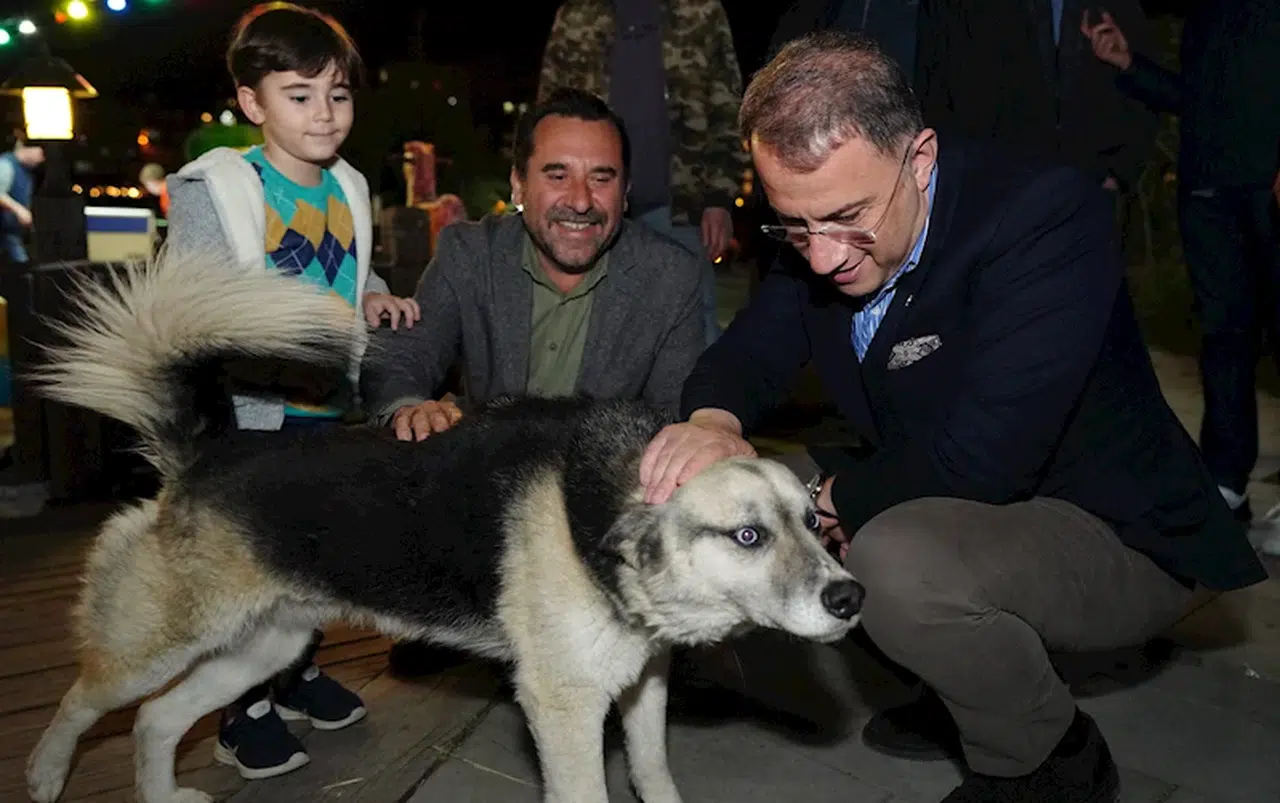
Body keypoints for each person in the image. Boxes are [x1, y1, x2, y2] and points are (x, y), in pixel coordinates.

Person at [637, 31, 1267, 803]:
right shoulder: (820, 230)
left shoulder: (1045, 218)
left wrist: (828, 499)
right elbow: (750, 352)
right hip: (977, 499)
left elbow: (984, 459)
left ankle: (1045, 757)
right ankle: (961, 689)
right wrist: (711, 421)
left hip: (1123, 531)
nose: (824, 256)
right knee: (762, 501)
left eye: (847, 217)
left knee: (891, 560)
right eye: (795, 226)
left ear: (921, 159)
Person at [359, 88, 707, 675]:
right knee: (412, 434)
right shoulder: (470, 254)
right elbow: (404, 357)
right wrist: (410, 405)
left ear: (625, 193)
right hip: (487, 493)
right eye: (556, 174)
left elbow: (676, 412)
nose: (580, 201)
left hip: (599, 505)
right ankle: (444, 604)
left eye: (602, 178)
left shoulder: (671, 276)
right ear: (519, 187)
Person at [164, 2, 419, 782]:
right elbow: (190, 301)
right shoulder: (227, 187)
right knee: (256, 566)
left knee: (317, 551)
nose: (324, 114)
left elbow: (349, 262)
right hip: (247, 414)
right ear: (252, 101)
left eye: (338, 95)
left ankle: (297, 670)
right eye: (299, 95)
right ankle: (242, 713)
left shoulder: (345, 184)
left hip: (325, 405)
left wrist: (373, 294)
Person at [1081, 1, 1280, 550]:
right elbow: (1196, 99)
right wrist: (1129, 65)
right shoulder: (1206, 14)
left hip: (1271, 188)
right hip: (1210, 190)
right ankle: (1225, 482)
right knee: (1224, 341)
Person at [536, 0, 752, 346]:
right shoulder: (576, 14)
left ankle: (702, 402)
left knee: (692, 331)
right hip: (589, 211)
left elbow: (727, 109)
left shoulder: (700, 11)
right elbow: (548, 114)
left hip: (679, 209)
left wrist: (717, 199)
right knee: (591, 334)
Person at [0, 137, 45, 264]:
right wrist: (19, 210)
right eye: (40, 153)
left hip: (12, 232)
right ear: (28, 149)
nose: (41, 159)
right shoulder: (5, 165)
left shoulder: (27, 172)